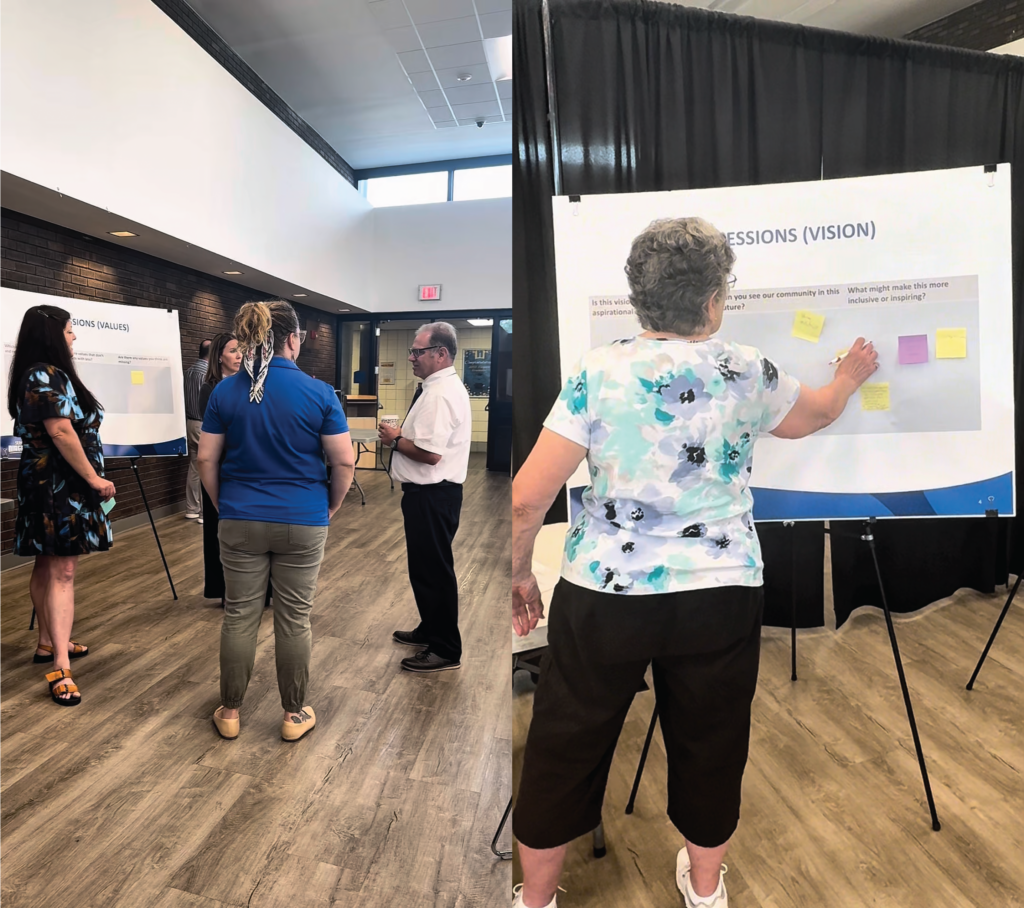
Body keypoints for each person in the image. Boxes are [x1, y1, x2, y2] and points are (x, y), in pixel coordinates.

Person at [510, 218, 879, 908]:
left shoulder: (597, 371)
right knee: (712, 742)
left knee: (563, 744)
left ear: (637, 296)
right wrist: (848, 377)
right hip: (720, 594)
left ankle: (535, 901)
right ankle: (705, 892)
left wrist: (520, 573)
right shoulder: (747, 370)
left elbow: (528, 498)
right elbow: (819, 414)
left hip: (604, 596)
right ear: (714, 299)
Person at [196, 301, 355, 742]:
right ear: (291, 339)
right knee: (294, 619)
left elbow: (206, 457)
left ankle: (229, 711)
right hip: (303, 518)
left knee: (239, 616)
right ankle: (293, 713)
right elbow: (344, 462)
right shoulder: (319, 393)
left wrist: (222, 502)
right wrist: (331, 507)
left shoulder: (226, 392)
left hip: (239, 515)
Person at [8, 305, 116, 706]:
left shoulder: (47, 373)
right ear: (54, 334)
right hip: (57, 486)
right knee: (63, 570)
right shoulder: (43, 373)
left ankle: (47, 642)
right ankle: (60, 666)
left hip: (51, 485)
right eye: (70, 331)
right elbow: (60, 430)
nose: (74, 337)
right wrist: (93, 478)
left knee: (46, 563)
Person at [378, 322, 472, 674]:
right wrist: (404, 435)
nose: (410, 357)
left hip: (433, 495)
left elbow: (430, 454)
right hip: (431, 495)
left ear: (440, 353)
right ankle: (430, 628)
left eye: (417, 351)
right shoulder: (437, 388)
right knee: (424, 569)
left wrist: (394, 440)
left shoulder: (439, 394)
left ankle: (446, 648)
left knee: (434, 571)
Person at [198, 333, 241, 604]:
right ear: (219, 356)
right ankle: (224, 590)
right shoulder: (210, 388)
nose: (239, 356)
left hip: (242, 466)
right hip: (219, 466)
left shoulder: (248, 384)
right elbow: (213, 435)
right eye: (233, 351)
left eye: (241, 351)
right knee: (217, 530)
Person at [184, 339, 212, 520]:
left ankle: (191, 508)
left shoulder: (187, 372)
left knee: (194, 467)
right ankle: (204, 513)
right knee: (206, 466)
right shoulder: (207, 375)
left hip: (189, 423)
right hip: (203, 424)